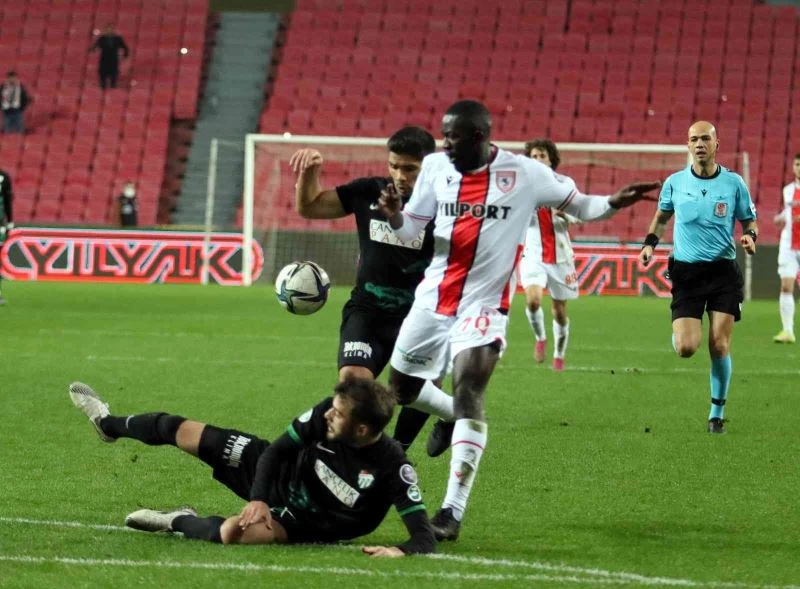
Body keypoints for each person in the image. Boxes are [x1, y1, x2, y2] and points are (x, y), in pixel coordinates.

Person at [378, 99, 660, 540]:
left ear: (479, 137)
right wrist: (396, 214)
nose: (445, 143)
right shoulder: (434, 167)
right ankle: (450, 415)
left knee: (470, 389)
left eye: (453, 137)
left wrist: (613, 202)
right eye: (444, 135)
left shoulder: (524, 173)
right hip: (433, 299)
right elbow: (412, 229)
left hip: (485, 306)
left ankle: (451, 512)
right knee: (401, 389)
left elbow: (580, 204)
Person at [67, 378, 436, 556]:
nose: (328, 414)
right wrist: (259, 498)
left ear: (362, 429)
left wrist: (401, 551)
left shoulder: (392, 467)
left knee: (232, 533)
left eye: (338, 414)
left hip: (300, 523)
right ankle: (108, 423)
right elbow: (276, 451)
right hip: (276, 472)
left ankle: (176, 520)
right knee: (179, 429)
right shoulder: (326, 413)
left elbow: (424, 537)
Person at [290, 127, 454, 450]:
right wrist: (310, 173)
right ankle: (369, 458)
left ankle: (404, 449)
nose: (400, 175)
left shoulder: (447, 207)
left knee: (415, 392)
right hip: (368, 311)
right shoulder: (369, 192)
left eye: (410, 168)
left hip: (421, 315)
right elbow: (310, 207)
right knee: (352, 386)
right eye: (394, 166)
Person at [639, 121, 757, 435]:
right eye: (694, 139)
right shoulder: (675, 183)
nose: (700, 144)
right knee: (686, 348)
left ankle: (716, 414)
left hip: (722, 273)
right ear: (688, 145)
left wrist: (750, 236)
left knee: (719, 344)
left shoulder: (734, 183)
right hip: (687, 274)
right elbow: (661, 217)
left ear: (717, 144)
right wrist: (649, 244)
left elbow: (749, 220)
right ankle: (680, 336)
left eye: (705, 138)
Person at [520, 139, 582, 371]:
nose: (538, 160)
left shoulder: (565, 184)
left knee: (559, 311)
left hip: (560, 257)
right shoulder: (522, 187)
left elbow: (581, 214)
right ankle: (540, 338)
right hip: (533, 254)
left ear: (551, 159)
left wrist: (564, 214)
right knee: (533, 300)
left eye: (542, 156)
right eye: (534, 156)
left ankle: (558, 354)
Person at [772, 153, 800, 343]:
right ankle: (788, 331)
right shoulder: (788, 190)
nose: (798, 167)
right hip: (789, 245)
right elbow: (789, 211)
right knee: (786, 286)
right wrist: (781, 218)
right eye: (797, 164)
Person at [89, 25, 130, 89]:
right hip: (104, 59)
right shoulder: (102, 38)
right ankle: (103, 87)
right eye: (107, 30)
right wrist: (92, 49)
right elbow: (95, 46)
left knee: (114, 74)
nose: (109, 31)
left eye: (110, 30)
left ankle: (113, 87)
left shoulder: (118, 38)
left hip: (114, 58)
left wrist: (125, 55)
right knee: (103, 74)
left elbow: (125, 47)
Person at [0, 167, 13, 305]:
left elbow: (8, 200)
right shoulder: (4, 176)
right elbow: (8, 200)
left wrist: (9, 221)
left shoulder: (4, 176)